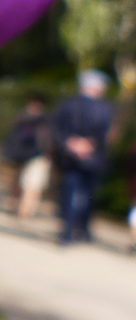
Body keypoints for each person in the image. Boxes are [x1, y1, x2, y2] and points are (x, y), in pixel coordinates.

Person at [51, 69, 115, 244]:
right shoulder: (104, 108)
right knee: (87, 194)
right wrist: (88, 145)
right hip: (91, 158)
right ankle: (81, 229)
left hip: (71, 157)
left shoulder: (67, 104)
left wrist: (70, 143)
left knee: (70, 192)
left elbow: (56, 130)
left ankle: (68, 229)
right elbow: (106, 134)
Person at [1, 96, 51, 219]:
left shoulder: (42, 120)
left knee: (31, 184)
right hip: (21, 154)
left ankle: (25, 210)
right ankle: (20, 207)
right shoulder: (23, 118)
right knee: (21, 183)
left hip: (36, 154)